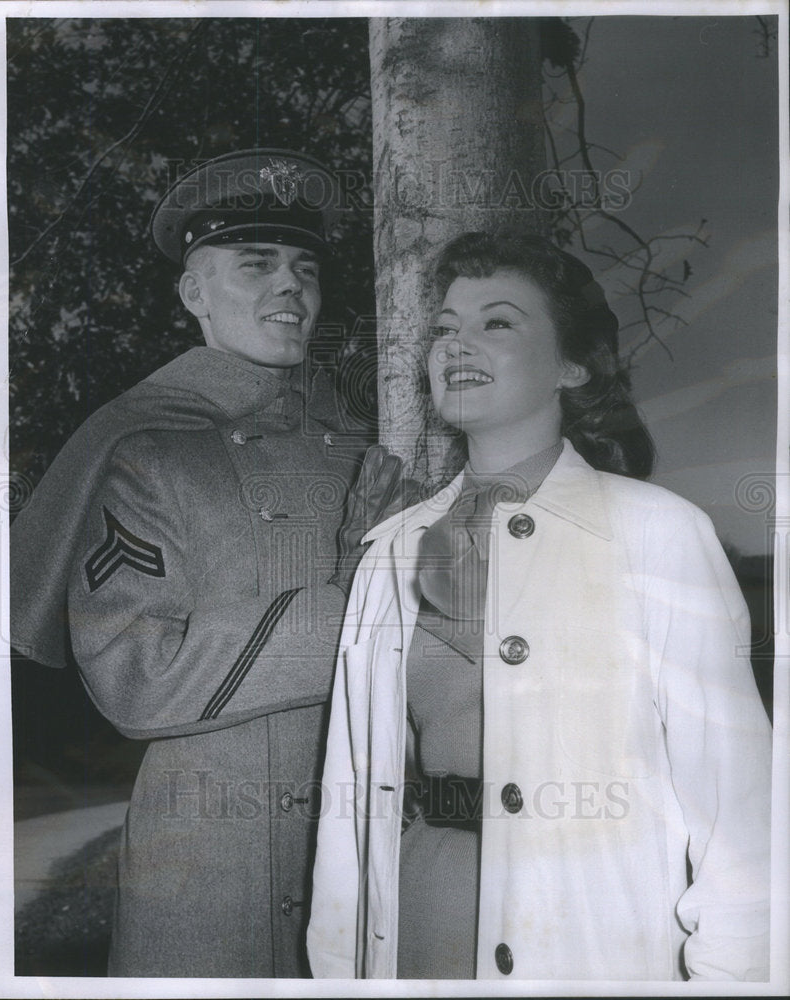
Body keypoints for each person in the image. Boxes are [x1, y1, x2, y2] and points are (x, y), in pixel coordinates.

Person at [306, 231, 773, 981]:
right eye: (445, 327)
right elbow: (349, 800)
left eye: (497, 321)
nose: (457, 344)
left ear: (572, 364)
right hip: (417, 927)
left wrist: (729, 980)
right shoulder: (389, 549)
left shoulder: (656, 533)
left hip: (587, 942)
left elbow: (739, 811)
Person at [10, 148, 399, 977]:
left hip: (366, 848)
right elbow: (138, 680)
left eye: (304, 268)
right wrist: (355, 599)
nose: (290, 287)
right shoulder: (149, 450)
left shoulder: (378, 445)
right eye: (255, 264)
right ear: (195, 296)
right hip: (208, 867)